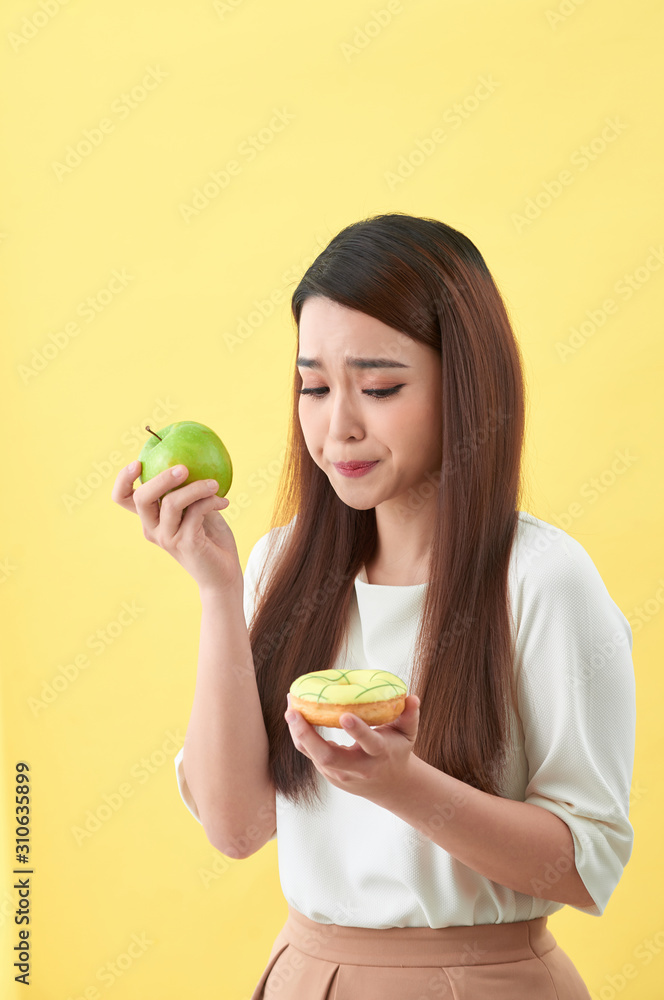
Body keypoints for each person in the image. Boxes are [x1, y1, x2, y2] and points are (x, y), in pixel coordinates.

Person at [112, 213, 636, 999]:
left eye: (380, 386)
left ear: (464, 385)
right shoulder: (277, 567)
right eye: (314, 387)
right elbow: (238, 827)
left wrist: (400, 784)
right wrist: (219, 591)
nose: (337, 426)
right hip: (306, 980)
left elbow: (584, 863)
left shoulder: (542, 580)